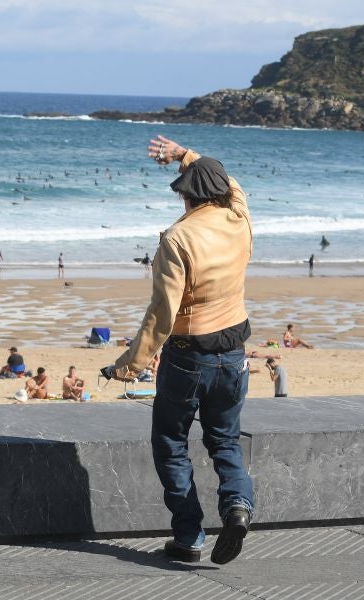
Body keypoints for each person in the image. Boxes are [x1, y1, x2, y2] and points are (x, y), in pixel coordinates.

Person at [102, 135, 254, 566]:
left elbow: (161, 315)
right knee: (225, 440)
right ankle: (238, 507)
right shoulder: (239, 215)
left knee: (171, 441)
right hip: (235, 350)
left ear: (186, 195)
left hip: (189, 356)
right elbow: (233, 182)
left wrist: (127, 366)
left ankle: (188, 537)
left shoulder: (177, 238)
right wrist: (184, 154)